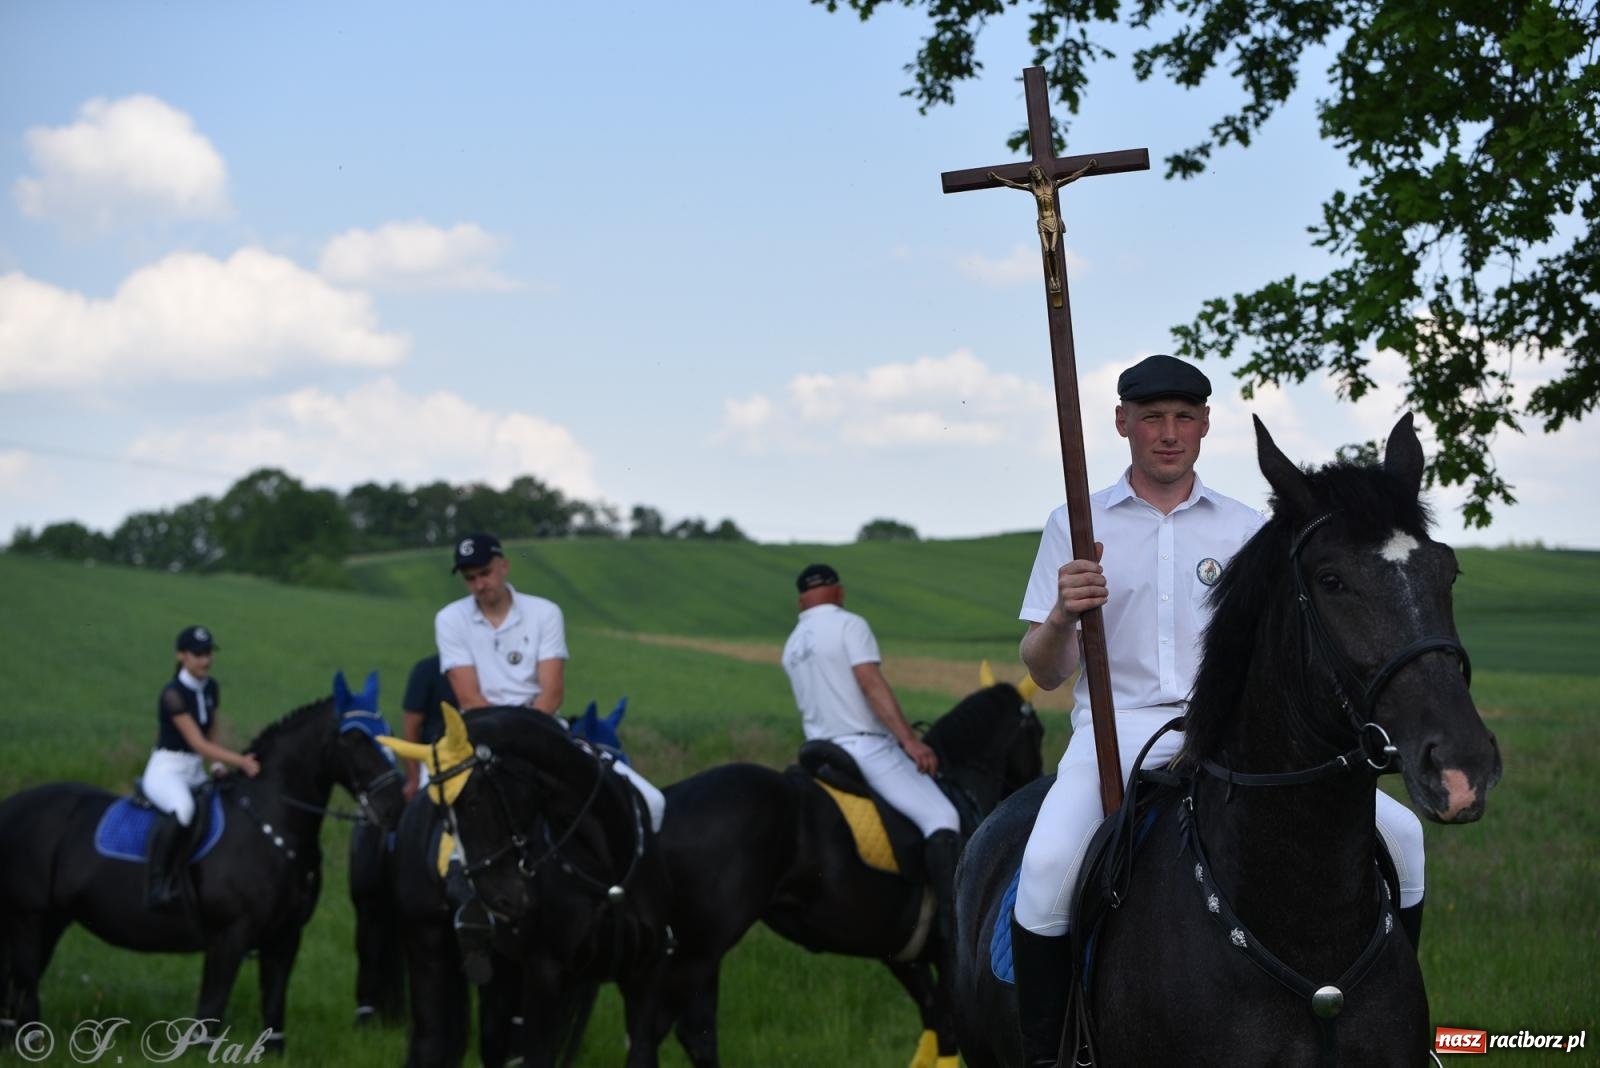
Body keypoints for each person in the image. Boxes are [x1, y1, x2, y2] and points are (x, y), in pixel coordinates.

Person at [1008, 354, 1428, 1067]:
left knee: (1407, 838)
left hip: (1233, 734)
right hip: (1120, 728)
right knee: (1047, 869)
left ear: (1204, 426)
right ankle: (1054, 1055)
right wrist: (1061, 615)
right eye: (1151, 419)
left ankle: (1393, 1029)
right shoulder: (1075, 524)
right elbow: (1046, 673)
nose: (1167, 434)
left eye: (1183, 418)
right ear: (1123, 425)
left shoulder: (1243, 527)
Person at [780, 563, 961, 950]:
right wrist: (911, 742)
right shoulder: (849, 625)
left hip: (818, 751)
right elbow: (870, 684)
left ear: (800, 601)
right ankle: (954, 931)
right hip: (863, 747)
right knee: (943, 818)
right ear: (839, 592)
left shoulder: (792, 644)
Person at [434, 532, 665, 830]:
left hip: (542, 727)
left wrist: (524, 738)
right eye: (470, 578)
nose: (479, 584)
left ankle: (635, 873)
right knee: (432, 816)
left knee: (651, 802)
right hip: (477, 735)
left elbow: (552, 692)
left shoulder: (544, 613)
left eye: (485, 573)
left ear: (504, 566)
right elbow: (469, 699)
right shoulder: (450, 619)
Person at [142, 624, 261, 908]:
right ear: (181, 656)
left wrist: (218, 765)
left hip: (195, 769)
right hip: (167, 770)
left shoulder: (211, 688)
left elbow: (212, 735)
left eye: (208, 653)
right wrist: (241, 761)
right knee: (183, 809)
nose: (205, 660)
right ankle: (158, 883)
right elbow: (197, 743)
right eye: (197, 654)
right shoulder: (172, 694)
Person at [398, 653, 458, 802]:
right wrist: (414, 779)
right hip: (436, 761)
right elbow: (410, 726)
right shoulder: (428, 670)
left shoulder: (491, 667)